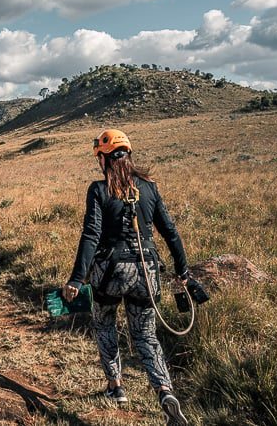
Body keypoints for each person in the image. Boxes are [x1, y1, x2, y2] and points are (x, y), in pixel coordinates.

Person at [62, 129, 190, 425]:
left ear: (103, 158)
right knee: (146, 335)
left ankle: (116, 386)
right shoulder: (149, 187)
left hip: (109, 272)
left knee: (104, 323)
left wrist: (76, 279)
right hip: (147, 272)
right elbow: (170, 231)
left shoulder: (98, 189)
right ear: (129, 154)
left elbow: (91, 234)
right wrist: (182, 270)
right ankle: (164, 390)